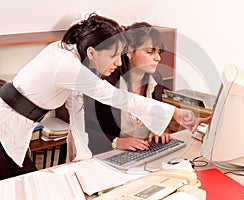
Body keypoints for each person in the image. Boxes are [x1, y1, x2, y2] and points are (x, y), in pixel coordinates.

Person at [0, 14, 199, 180]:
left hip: (15, 131)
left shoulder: (74, 57)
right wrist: (175, 112)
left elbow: (77, 114)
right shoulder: (69, 67)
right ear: (92, 52)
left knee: (28, 184)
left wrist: (81, 162)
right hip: (4, 129)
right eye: (114, 55)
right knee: (22, 187)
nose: (118, 63)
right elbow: (117, 97)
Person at [85, 22, 211, 154]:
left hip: (141, 152)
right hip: (109, 153)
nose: (158, 58)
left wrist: (157, 132)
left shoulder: (155, 82)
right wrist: (116, 141)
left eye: (159, 52)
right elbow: (88, 128)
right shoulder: (107, 82)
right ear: (129, 52)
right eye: (150, 51)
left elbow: (153, 115)